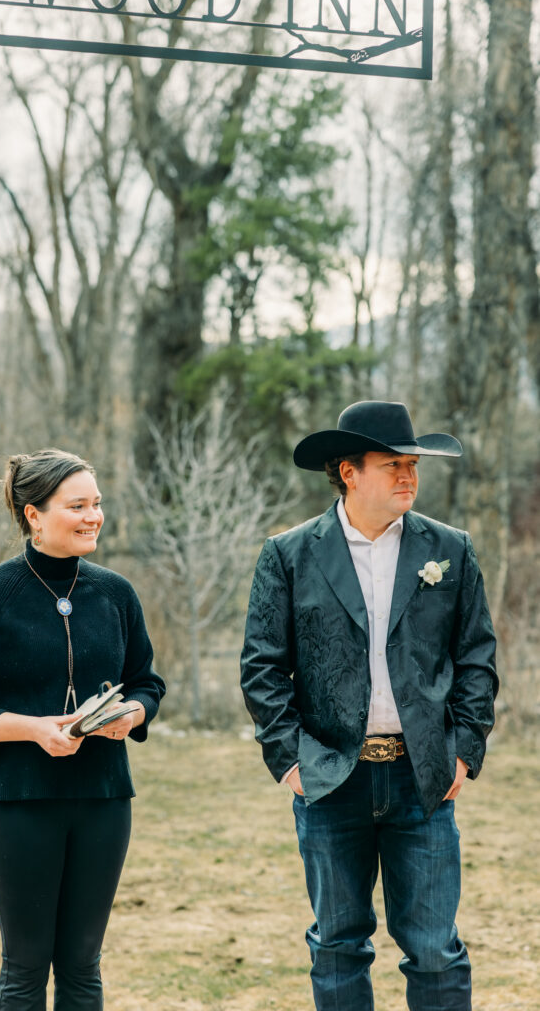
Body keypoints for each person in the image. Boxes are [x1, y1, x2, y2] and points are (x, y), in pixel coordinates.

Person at [240, 400, 498, 1011]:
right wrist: (291, 760)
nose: (409, 475)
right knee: (337, 946)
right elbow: (262, 668)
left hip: (424, 778)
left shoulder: (451, 550)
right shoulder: (289, 554)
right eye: (393, 464)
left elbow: (477, 659)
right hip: (330, 778)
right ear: (348, 471)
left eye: (413, 464)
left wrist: (462, 751)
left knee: (435, 949)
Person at [0, 448, 165, 1011]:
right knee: (25, 967)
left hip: (104, 800)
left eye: (97, 504)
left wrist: (131, 714)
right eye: (77, 505)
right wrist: (33, 729)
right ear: (33, 514)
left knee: (83, 966)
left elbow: (146, 683)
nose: (93, 516)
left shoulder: (116, 593)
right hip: (18, 802)